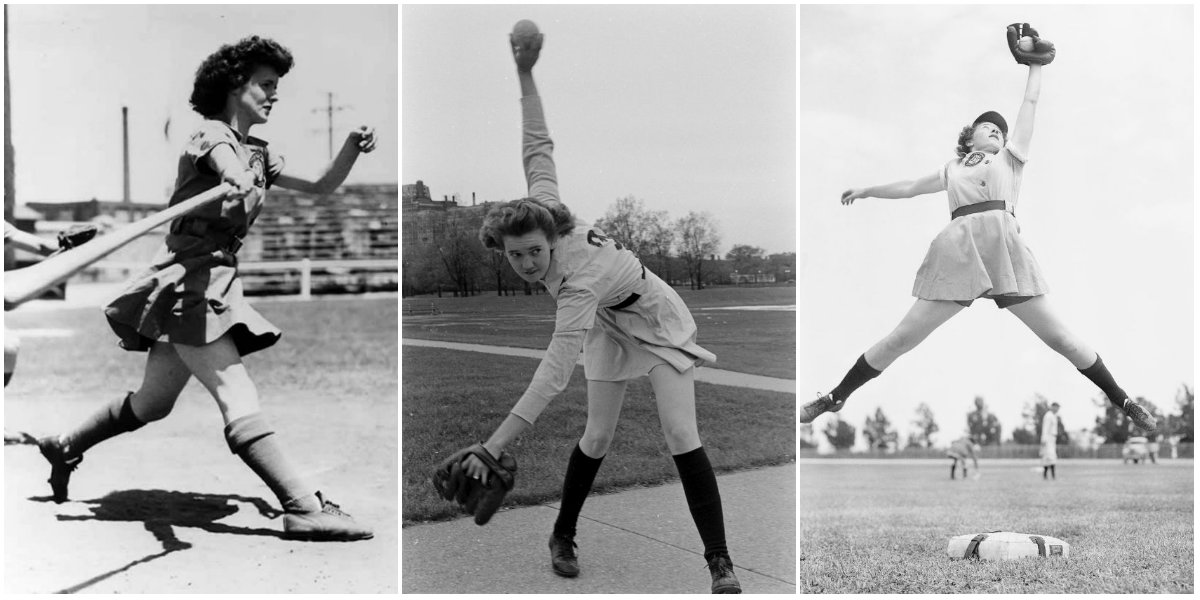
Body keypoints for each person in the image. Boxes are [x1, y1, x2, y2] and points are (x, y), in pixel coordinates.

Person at [35, 35, 377, 541]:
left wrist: (350, 145)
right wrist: (234, 174)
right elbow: (225, 160)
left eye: (275, 86)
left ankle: (65, 444)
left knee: (152, 403)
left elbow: (323, 186)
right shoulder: (210, 136)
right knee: (237, 392)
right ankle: (302, 506)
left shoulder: (259, 153)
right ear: (234, 86)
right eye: (265, 84)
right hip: (187, 283)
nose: (274, 94)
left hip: (212, 277)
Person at [456, 29, 741, 593]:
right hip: (610, 324)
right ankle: (563, 534)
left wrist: (494, 446)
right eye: (516, 256)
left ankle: (720, 561)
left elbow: (553, 372)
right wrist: (524, 72)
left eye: (535, 251)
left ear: (551, 232)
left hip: (654, 315)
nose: (528, 263)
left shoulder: (575, 279)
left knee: (682, 432)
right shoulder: (542, 214)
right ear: (502, 250)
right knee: (598, 437)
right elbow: (537, 145)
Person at [798, 24, 1157, 437]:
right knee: (900, 339)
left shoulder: (1010, 158)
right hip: (958, 253)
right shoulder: (952, 168)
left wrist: (1034, 64)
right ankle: (835, 395)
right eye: (988, 127)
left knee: (1062, 339)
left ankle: (1122, 399)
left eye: (1000, 130)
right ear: (967, 137)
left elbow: (1031, 101)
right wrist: (867, 191)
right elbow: (911, 188)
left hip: (1004, 251)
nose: (996, 131)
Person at [1040, 402, 1060, 480]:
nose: (1058, 409)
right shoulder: (1048, 416)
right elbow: (1045, 428)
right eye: (1056, 407)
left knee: (1052, 457)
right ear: (1053, 407)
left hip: (1052, 438)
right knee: (1049, 457)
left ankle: (1051, 475)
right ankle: (1049, 475)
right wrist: (1044, 439)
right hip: (1048, 438)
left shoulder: (1053, 416)